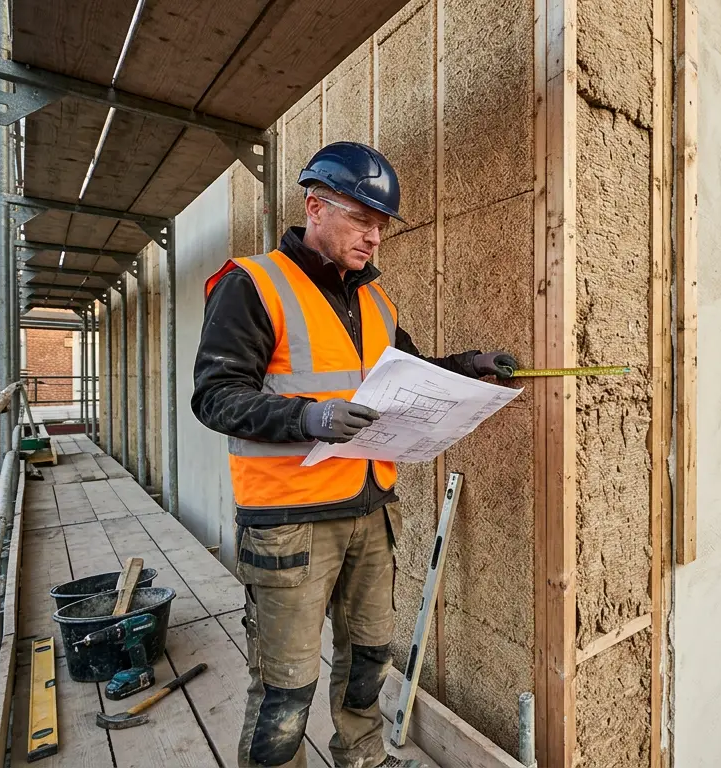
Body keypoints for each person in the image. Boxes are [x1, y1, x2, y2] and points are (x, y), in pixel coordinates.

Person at [192, 141, 517, 768]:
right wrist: (308, 416)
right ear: (315, 207)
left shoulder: (377, 301)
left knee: (370, 657)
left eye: (381, 226)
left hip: (370, 513)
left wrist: (468, 367)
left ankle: (363, 755)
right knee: (286, 688)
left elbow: (405, 376)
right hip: (289, 523)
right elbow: (215, 397)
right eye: (362, 220)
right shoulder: (252, 285)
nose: (375, 238)